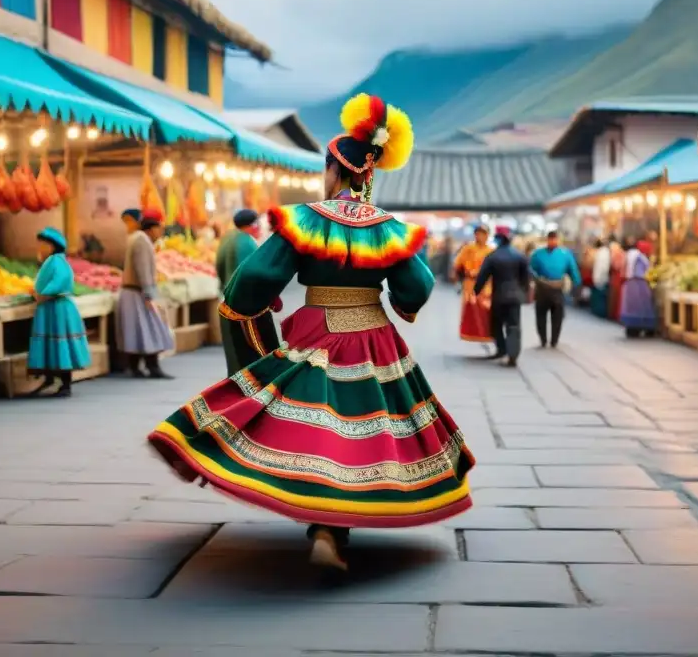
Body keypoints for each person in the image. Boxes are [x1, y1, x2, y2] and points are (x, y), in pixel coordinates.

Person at [147, 94, 475, 573]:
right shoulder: (388, 228)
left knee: (311, 424)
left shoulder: (305, 219)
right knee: (367, 428)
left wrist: (249, 309)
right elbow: (418, 285)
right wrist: (398, 302)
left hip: (317, 331)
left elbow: (255, 280)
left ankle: (323, 523)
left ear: (333, 170)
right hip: (374, 338)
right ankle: (335, 525)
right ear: (369, 175)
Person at [215, 208, 281, 375]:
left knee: (236, 359)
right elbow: (257, 274)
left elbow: (220, 269)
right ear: (252, 225)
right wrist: (272, 295)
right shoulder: (247, 242)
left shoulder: (226, 240)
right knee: (258, 355)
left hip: (228, 304)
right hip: (248, 308)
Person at [27, 227, 91, 398]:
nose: (39, 247)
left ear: (52, 246)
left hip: (58, 309)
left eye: (43, 244)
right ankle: (50, 379)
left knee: (60, 345)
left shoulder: (57, 261)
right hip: (50, 308)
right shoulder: (52, 260)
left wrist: (42, 294)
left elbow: (60, 281)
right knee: (51, 345)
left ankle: (65, 383)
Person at [117, 208, 174, 379]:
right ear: (151, 228)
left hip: (134, 292)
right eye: (159, 228)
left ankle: (136, 367)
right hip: (138, 292)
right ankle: (152, 366)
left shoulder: (137, 238)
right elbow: (143, 269)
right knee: (150, 329)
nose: (161, 232)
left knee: (138, 331)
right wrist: (149, 294)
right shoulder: (142, 241)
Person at [474, 225, 530, 367]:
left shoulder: (493, 256)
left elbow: (482, 276)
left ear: (498, 239)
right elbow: (526, 277)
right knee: (514, 325)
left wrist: (476, 291)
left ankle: (502, 349)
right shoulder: (519, 256)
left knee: (496, 325)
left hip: (499, 297)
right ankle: (513, 355)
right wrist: (524, 292)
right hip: (515, 297)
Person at [528, 230, 582, 348]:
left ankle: (554, 340)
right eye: (551, 239)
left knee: (557, 316)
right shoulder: (538, 254)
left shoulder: (565, 254)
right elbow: (530, 269)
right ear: (547, 240)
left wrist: (577, 284)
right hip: (542, 288)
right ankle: (543, 339)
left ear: (558, 240)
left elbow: (573, 271)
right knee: (540, 315)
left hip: (557, 288)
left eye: (555, 239)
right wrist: (536, 279)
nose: (553, 241)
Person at [453, 225, 493, 344]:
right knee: (471, 310)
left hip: (486, 285)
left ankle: (486, 335)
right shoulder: (468, 248)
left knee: (485, 311)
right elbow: (458, 264)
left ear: (487, 235)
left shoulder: (491, 251)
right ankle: (470, 334)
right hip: (470, 284)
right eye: (478, 233)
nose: (480, 236)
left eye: (483, 234)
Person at [619, 239, 657, 337]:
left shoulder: (634, 255)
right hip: (639, 284)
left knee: (633, 308)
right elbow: (640, 272)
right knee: (642, 307)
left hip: (632, 284)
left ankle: (633, 328)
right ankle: (644, 327)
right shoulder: (640, 258)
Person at [590, 239, 611, 318]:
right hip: (601, 275)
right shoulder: (605, 252)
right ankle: (599, 311)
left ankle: (599, 311)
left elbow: (602, 267)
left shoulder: (602, 252)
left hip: (601, 275)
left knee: (600, 296)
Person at [607, 236, 626, 321]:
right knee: (616, 297)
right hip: (617, 277)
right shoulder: (621, 253)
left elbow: (616, 266)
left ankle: (614, 315)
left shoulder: (618, 254)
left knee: (615, 297)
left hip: (617, 277)